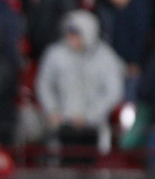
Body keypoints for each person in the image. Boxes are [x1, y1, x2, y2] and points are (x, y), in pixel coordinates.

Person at [36, 10, 125, 156]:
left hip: (93, 127)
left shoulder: (105, 57)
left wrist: (89, 116)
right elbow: (44, 85)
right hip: (61, 124)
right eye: (69, 33)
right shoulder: (55, 54)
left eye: (76, 34)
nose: (71, 38)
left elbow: (113, 92)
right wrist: (52, 110)